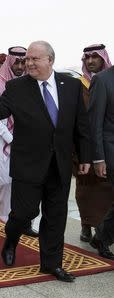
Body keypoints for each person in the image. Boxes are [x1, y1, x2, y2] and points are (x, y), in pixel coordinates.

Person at [0, 41, 91, 282]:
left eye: (34, 59)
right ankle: (11, 239)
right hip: (28, 164)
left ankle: (51, 264)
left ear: (50, 60)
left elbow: (81, 125)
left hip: (59, 164)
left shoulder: (70, 85)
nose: (28, 63)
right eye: (27, 59)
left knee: (55, 216)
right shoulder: (16, 87)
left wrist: (85, 157)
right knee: (24, 213)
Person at [0, 46, 38, 237]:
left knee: (27, 184)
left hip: (28, 142)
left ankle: (25, 221)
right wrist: (12, 139)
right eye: (16, 63)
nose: (20, 66)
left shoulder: (32, 83)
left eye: (23, 62)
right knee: (4, 180)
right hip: (5, 141)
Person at [75, 44, 112, 243]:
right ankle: (86, 225)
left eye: (94, 58)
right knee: (85, 189)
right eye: (87, 58)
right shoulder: (78, 85)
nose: (90, 62)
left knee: (106, 190)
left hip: (106, 146)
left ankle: (103, 229)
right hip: (84, 146)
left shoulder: (109, 81)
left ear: (103, 59)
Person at [88, 64, 114, 260]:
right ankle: (102, 238)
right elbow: (95, 122)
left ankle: (101, 236)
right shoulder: (102, 80)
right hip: (111, 150)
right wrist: (98, 158)